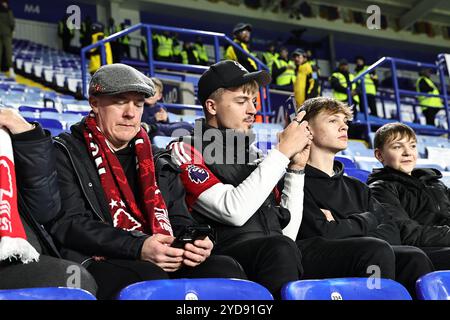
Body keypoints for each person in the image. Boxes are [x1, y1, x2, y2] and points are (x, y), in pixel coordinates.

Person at [50, 63, 245, 300]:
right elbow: (69, 224)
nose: (131, 113)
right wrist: (138, 247)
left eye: (139, 104)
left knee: (225, 269)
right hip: (100, 258)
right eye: (120, 101)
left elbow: (178, 216)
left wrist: (195, 242)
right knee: (149, 278)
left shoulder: (156, 158)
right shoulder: (66, 151)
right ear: (94, 103)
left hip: (160, 253)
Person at [297, 97, 434, 297]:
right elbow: (321, 233)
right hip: (319, 262)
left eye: (345, 121)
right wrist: (367, 220)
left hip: (369, 253)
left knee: (413, 256)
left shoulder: (357, 187)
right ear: (307, 129)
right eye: (333, 120)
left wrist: (344, 225)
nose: (344, 126)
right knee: (375, 248)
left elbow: (391, 232)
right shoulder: (295, 181)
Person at [0, 108, 97, 295]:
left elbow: (44, 209)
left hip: (13, 257)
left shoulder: (4, 138)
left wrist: (28, 137)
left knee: (75, 276)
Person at [368, 122, 450, 270]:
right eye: (397, 147)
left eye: (412, 146)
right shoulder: (381, 188)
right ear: (379, 155)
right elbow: (408, 235)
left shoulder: (435, 183)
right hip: (422, 252)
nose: (408, 152)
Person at [0, 0, 15, 78]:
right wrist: (11, 30)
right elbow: (12, 22)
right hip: (7, 34)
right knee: (8, 52)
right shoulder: (8, 10)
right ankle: (11, 70)